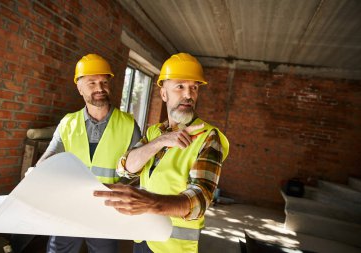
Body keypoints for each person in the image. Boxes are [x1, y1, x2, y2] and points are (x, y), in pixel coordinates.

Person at [94, 53, 229, 253]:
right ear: (164, 94)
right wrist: (161, 141)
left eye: (194, 87)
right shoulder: (154, 132)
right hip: (143, 238)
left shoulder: (208, 136)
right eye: (180, 86)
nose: (189, 94)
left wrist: (151, 203)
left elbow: (201, 199)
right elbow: (125, 168)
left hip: (173, 247)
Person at [29, 54, 141, 253]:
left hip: (106, 209)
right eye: (92, 83)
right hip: (70, 206)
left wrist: (118, 194)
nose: (99, 88)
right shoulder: (68, 123)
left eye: (104, 82)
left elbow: (138, 173)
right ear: (80, 88)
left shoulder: (128, 124)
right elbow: (49, 158)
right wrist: (39, 171)